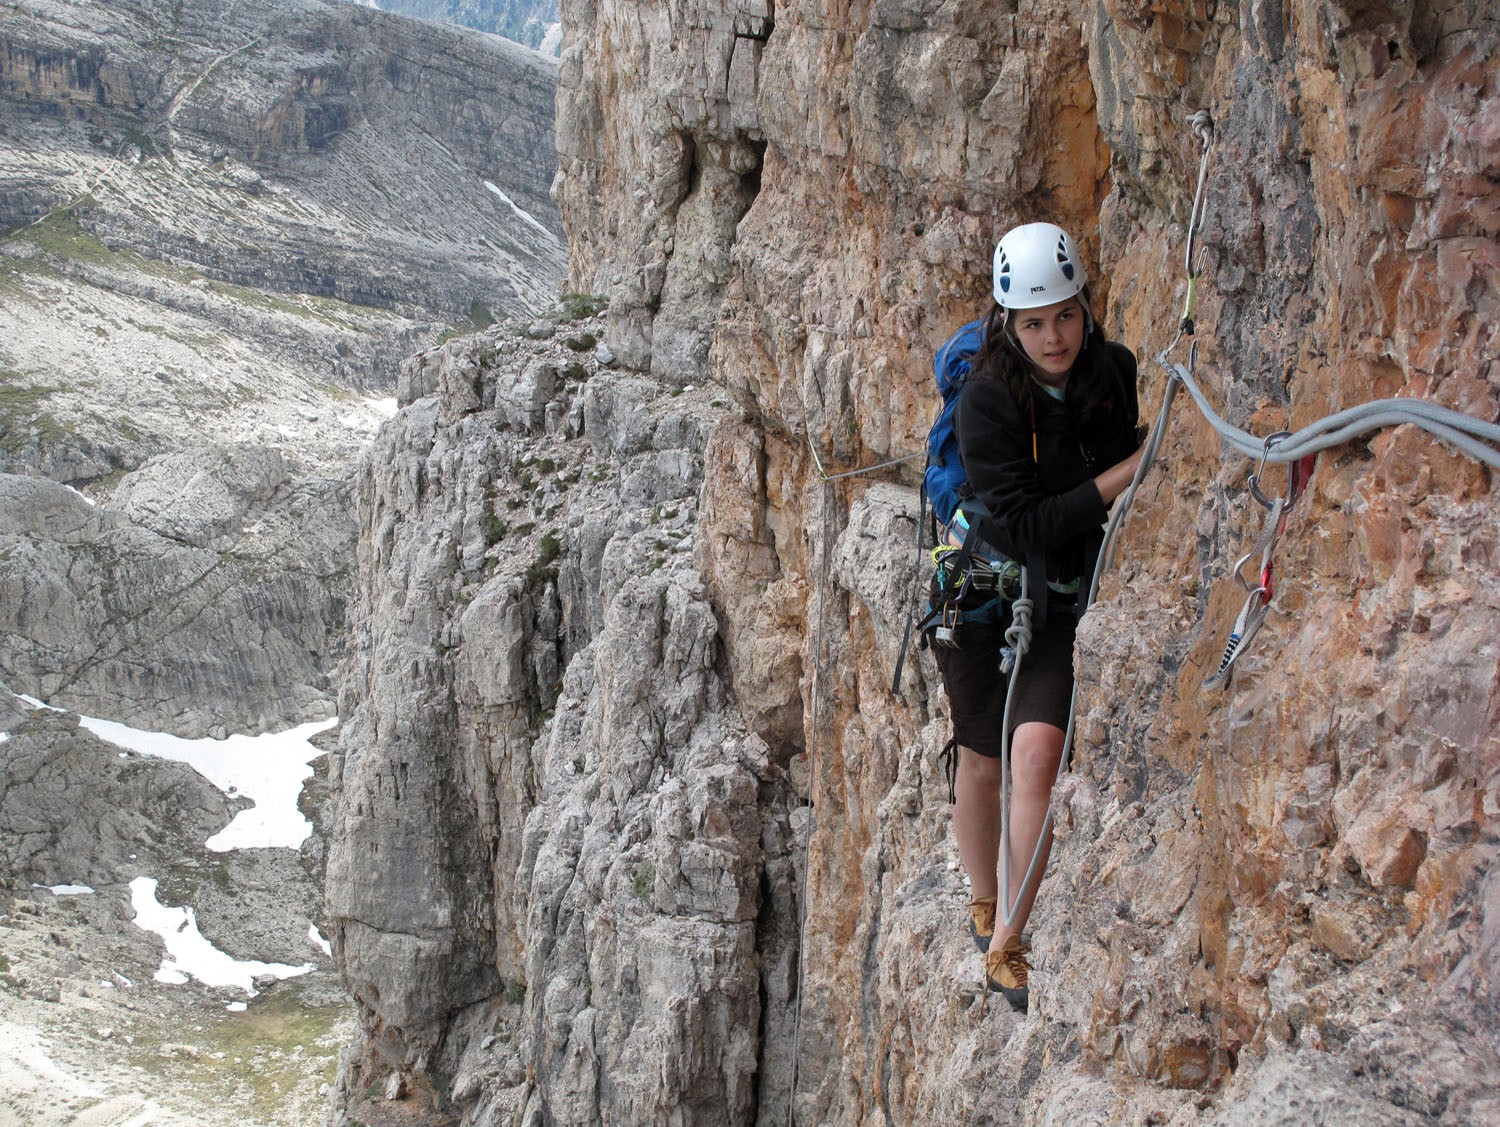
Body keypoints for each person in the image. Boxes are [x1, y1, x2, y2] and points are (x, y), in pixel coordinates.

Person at [931, 221, 1144, 1012]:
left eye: (1064, 314)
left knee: (1038, 753)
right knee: (983, 759)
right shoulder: (988, 398)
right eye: (1033, 322)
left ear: (1083, 305)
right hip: (984, 593)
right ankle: (985, 897)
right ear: (1007, 325)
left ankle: (1006, 939)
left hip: (1059, 597)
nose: (1053, 336)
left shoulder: (1112, 373)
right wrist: (1127, 472)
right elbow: (1017, 526)